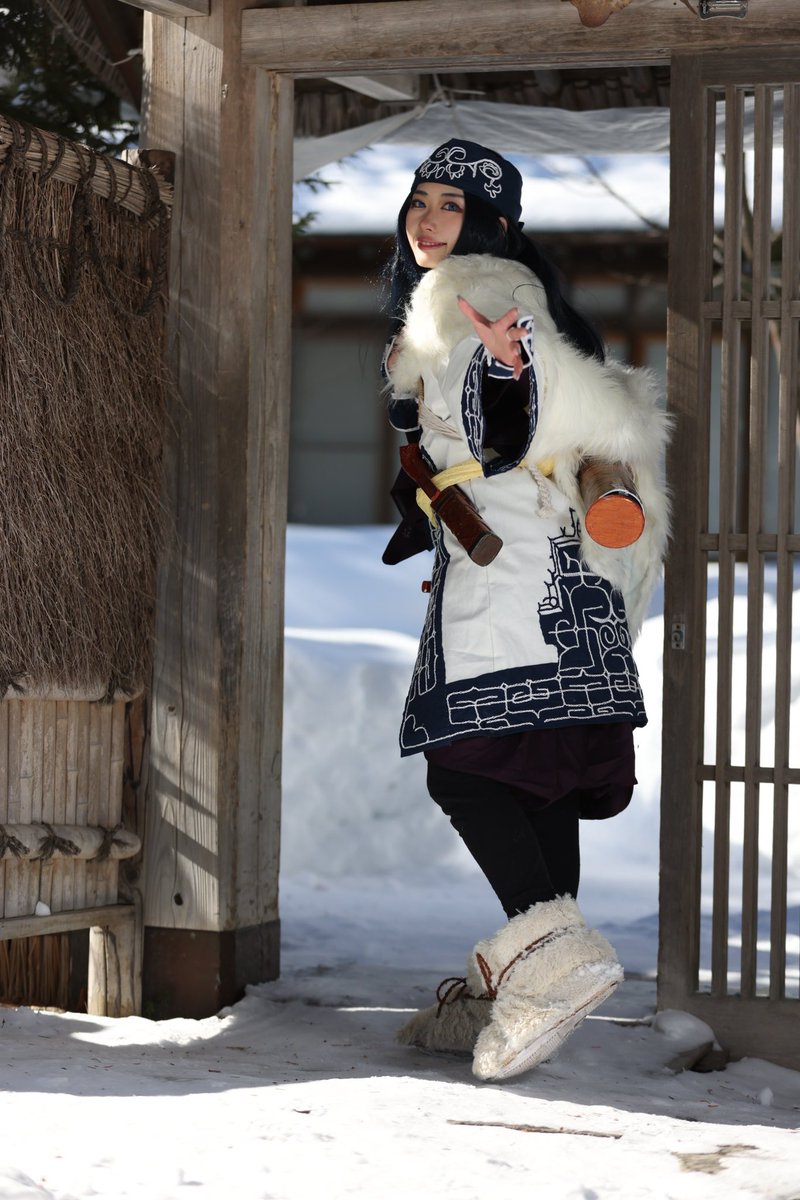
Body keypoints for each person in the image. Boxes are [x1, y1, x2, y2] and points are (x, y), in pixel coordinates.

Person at [381, 139, 670, 1082]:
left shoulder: (480, 295)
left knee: (465, 771)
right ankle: (533, 987)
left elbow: (505, 407)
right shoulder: (487, 297)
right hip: (558, 582)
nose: (428, 218)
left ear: (494, 224)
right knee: (537, 783)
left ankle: (547, 967)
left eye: (451, 204)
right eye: (420, 200)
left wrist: (506, 373)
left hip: (514, 581)